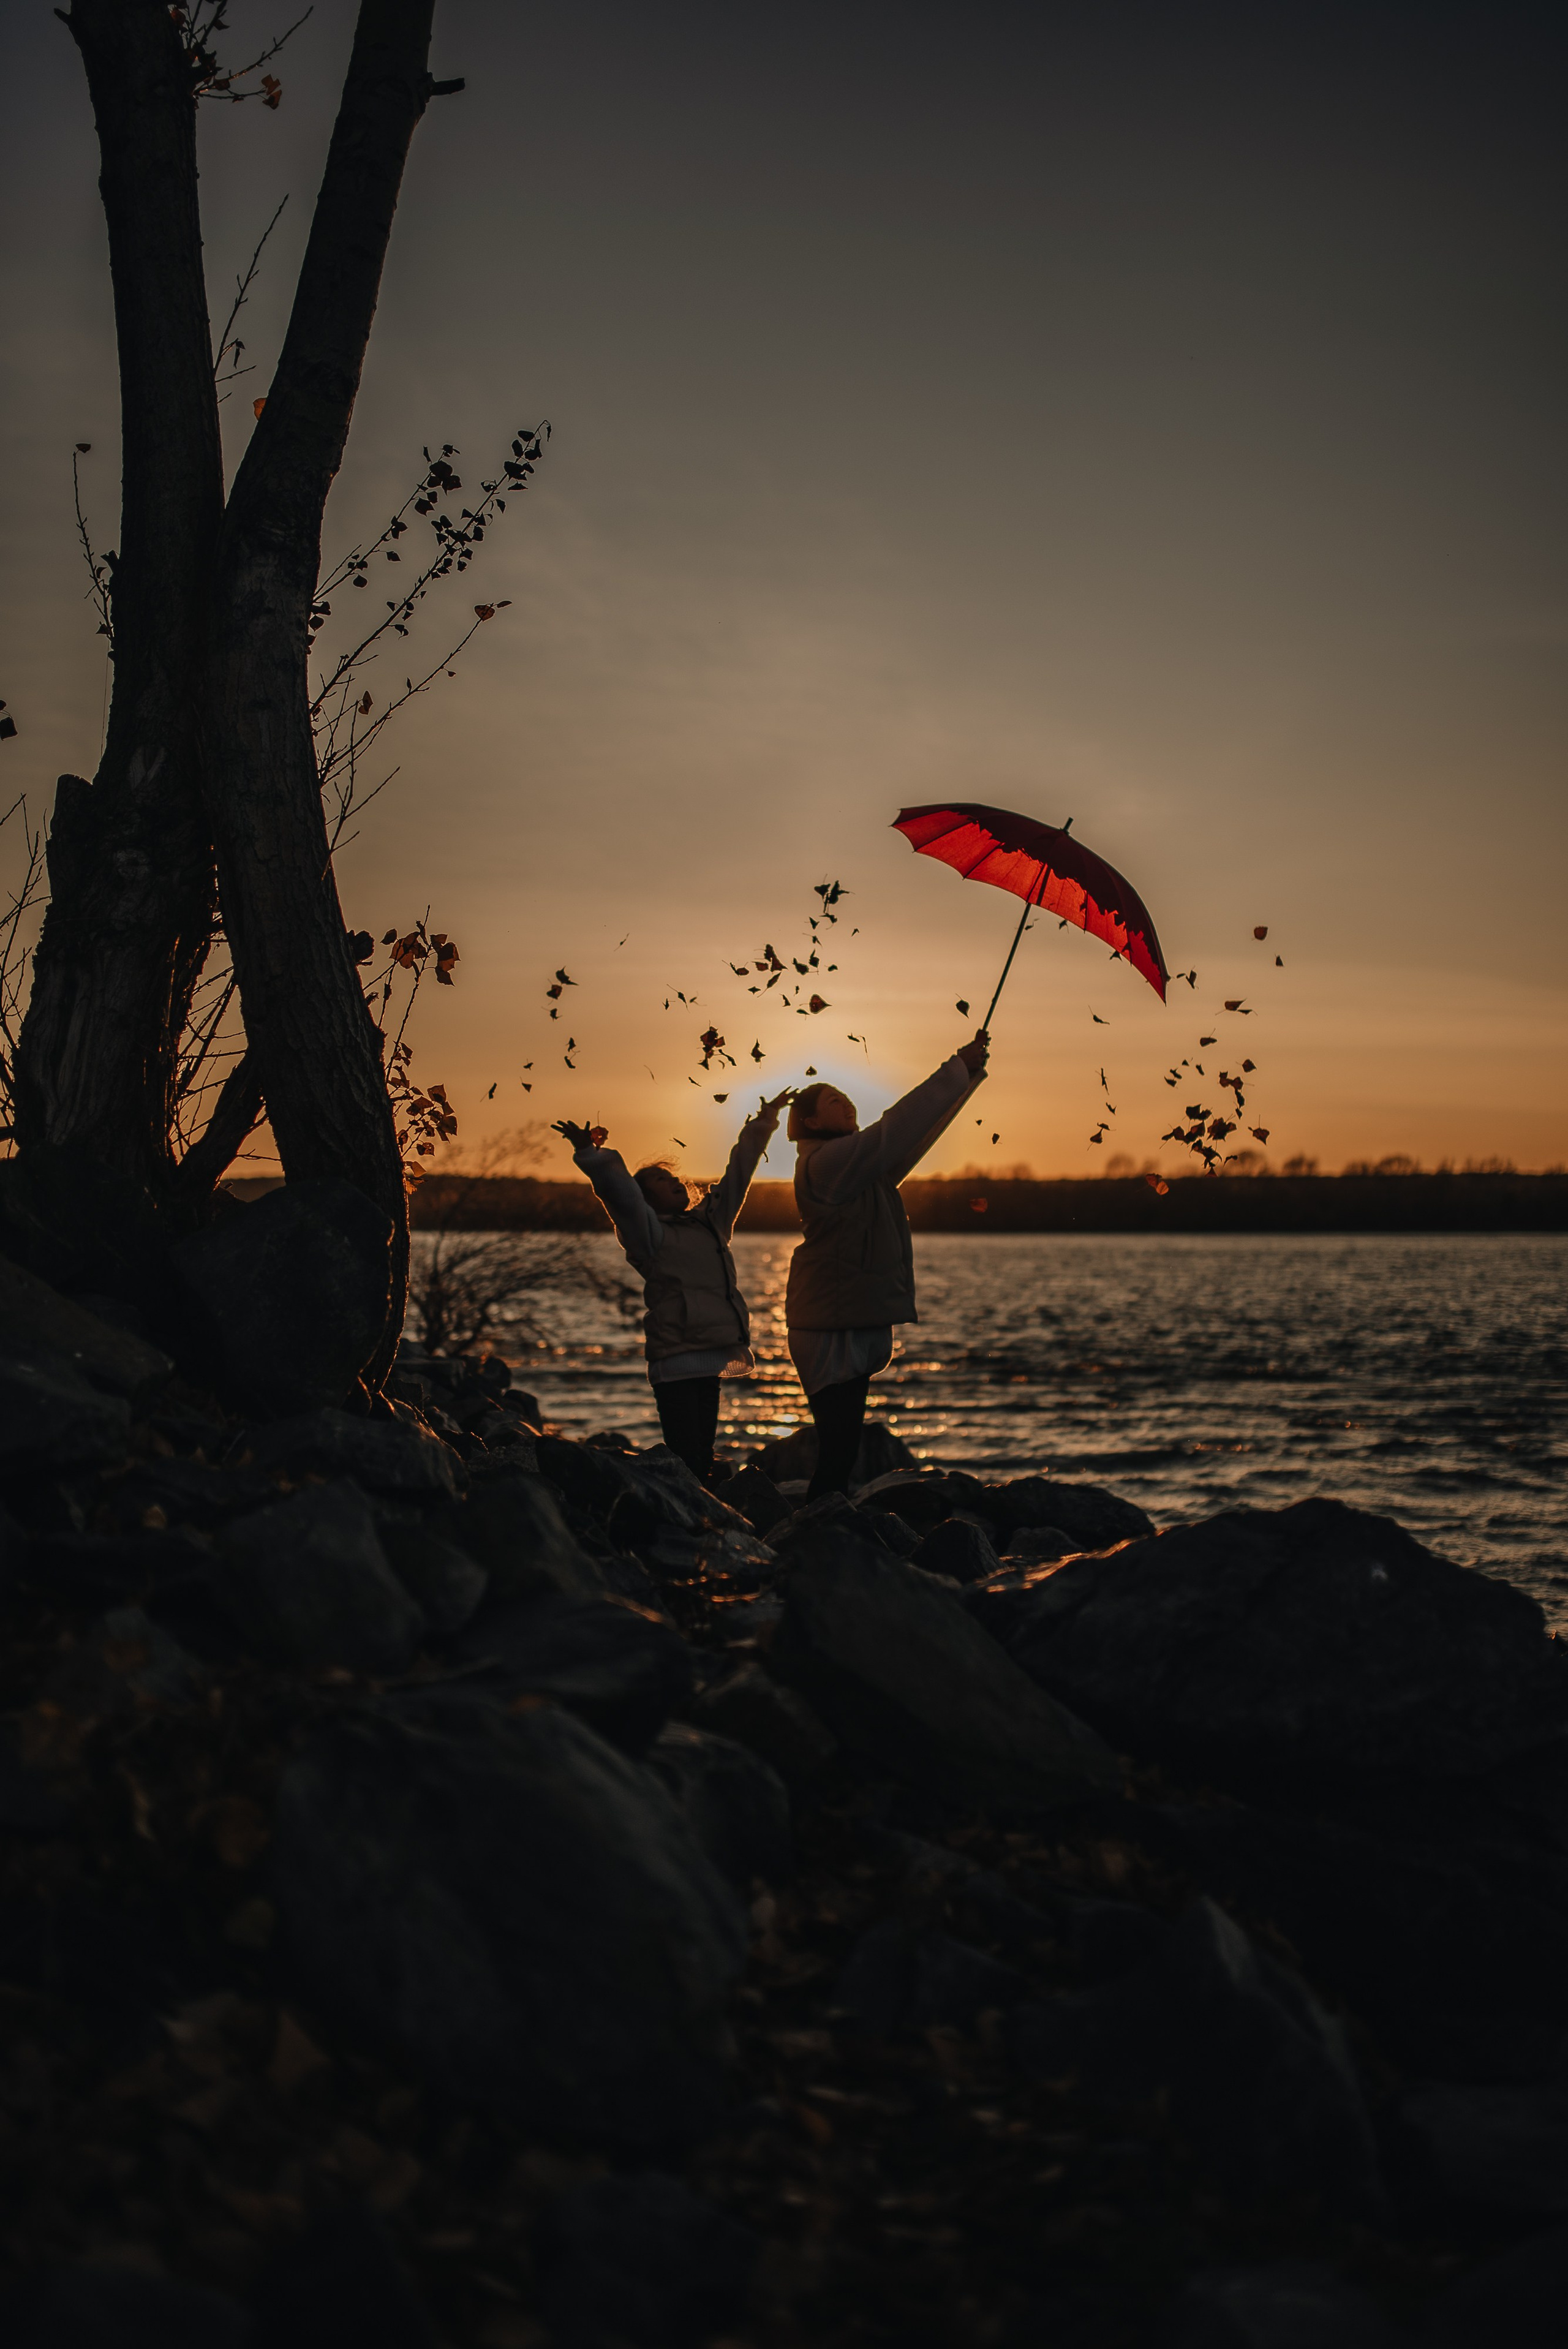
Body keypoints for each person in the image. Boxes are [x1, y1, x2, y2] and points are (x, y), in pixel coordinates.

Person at [785, 1031, 989, 1499]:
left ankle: (826, 1530)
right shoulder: (826, 1162)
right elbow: (894, 1130)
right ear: (811, 1120)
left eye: (849, 1099)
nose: (848, 1105)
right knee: (838, 1451)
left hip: (844, 1320)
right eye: (836, 1101)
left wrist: (966, 1079)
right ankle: (820, 1537)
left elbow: (912, 1140)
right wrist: (955, 1066)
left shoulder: (858, 1169)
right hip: (826, 1328)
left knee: (844, 1451)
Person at [552, 1090, 793, 1484]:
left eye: (675, 1178)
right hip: (676, 1361)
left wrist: (764, 1121)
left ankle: (701, 1518)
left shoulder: (710, 1225)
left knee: (702, 1456)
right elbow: (622, 1197)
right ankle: (686, 1524)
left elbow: (738, 1175)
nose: (675, 1183)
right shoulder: (648, 1236)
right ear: (647, 1200)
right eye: (662, 1182)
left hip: (713, 1355)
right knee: (686, 1459)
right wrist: (591, 1154)